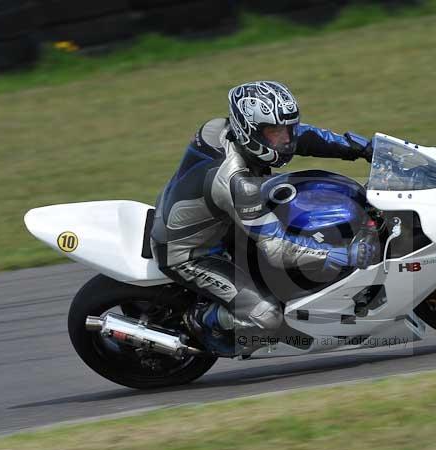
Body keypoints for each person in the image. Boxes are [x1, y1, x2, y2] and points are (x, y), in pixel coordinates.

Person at [150, 81, 375, 356]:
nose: (285, 139)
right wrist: (343, 255)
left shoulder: (224, 129)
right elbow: (278, 250)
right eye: (274, 132)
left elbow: (305, 137)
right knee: (267, 317)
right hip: (191, 252)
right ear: (249, 131)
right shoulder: (236, 181)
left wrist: (362, 148)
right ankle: (201, 322)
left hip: (217, 220)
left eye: (287, 128)